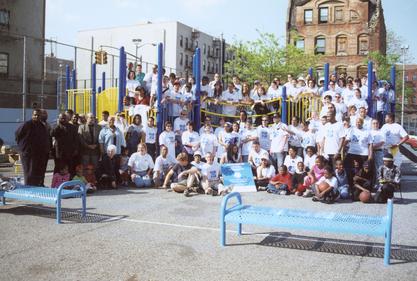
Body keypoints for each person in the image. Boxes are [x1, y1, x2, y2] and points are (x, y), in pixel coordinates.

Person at [15, 109, 50, 186]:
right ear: (32, 115)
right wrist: (23, 147)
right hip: (27, 152)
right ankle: (28, 188)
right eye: (35, 115)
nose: (36, 116)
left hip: (37, 153)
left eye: (38, 115)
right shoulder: (27, 124)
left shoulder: (41, 125)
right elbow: (17, 135)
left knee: (36, 171)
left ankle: (36, 187)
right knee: (29, 171)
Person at [343, 117, 373, 186]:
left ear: (362, 123)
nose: (358, 123)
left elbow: (370, 144)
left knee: (363, 170)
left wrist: (370, 156)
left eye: (359, 122)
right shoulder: (352, 130)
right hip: (352, 152)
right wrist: (342, 149)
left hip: (363, 153)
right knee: (346, 167)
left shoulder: (367, 131)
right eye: (356, 122)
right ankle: (350, 184)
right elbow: (347, 140)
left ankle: (363, 185)